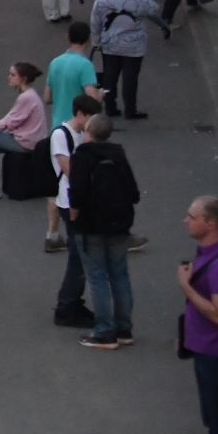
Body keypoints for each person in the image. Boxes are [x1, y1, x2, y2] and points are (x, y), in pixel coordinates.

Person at [68, 111, 140, 350]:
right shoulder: (118, 154)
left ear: (89, 132)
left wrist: (74, 215)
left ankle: (104, 332)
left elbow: (77, 192)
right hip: (119, 223)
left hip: (91, 225)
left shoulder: (82, 155)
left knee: (97, 277)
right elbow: (133, 192)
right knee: (120, 274)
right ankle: (123, 328)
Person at [175, 194, 218, 434]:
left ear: (211, 223)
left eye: (192, 217)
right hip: (205, 350)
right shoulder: (206, 253)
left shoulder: (217, 267)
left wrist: (186, 287)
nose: (186, 220)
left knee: (217, 423)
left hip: (214, 355)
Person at [51, 94, 103, 326]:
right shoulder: (61, 135)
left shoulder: (84, 134)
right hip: (68, 200)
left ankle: (72, 301)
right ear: (80, 114)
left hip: (81, 199)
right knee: (78, 255)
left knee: (80, 254)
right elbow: (70, 170)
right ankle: (67, 304)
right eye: (90, 117)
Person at [91, 0, 163, 121]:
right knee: (130, 79)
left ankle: (110, 107)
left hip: (110, 44)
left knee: (110, 76)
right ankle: (130, 110)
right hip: (134, 46)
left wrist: (96, 41)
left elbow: (95, 21)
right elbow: (154, 9)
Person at [0, 62, 46, 198]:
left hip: (26, 143)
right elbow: (12, 119)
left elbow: (9, 121)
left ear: (23, 78)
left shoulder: (26, 97)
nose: (8, 77)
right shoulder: (30, 94)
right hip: (27, 140)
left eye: (12, 75)